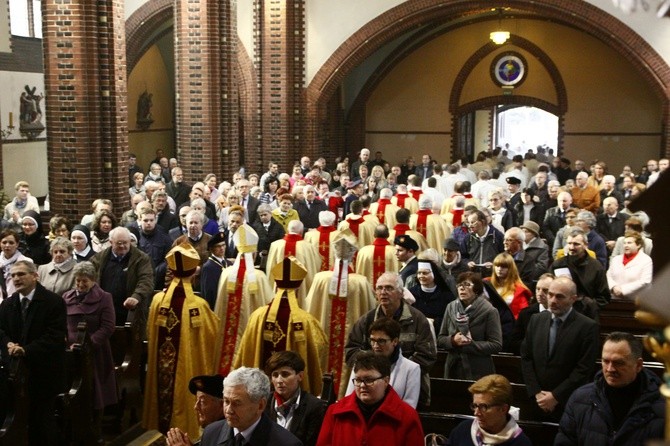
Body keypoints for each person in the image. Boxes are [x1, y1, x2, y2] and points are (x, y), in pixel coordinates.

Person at [143, 243, 220, 438]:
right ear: (193, 272)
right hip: (187, 369)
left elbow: (149, 335)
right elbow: (214, 338)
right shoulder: (198, 306)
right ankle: (185, 430)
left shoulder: (158, 301)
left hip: (161, 372)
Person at [234, 256, 327, 395]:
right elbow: (319, 349)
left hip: (258, 395)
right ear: (298, 288)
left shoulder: (257, 316)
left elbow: (245, 351)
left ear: (276, 286)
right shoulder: (306, 321)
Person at [555, 332, 665, 446]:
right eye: (605, 361)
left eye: (619, 363)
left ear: (638, 365)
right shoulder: (580, 398)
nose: (610, 369)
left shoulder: (663, 407)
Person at [345, 272, 436, 407]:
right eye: (380, 288)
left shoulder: (417, 319)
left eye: (389, 288)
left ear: (400, 293)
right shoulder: (367, 320)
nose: (383, 292)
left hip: (408, 387)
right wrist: (373, 369)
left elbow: (427, 356)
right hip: (371, 387)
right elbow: (351, 351)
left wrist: (399, 371)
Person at [0, 260, 66, 446]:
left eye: (21, 274)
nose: (16, 278)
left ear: (35, 276)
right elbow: (1, 331)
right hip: (14, 373)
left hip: (44, 373)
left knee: (42, 422)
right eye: (13, 275)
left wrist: (26, 350)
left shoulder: (53, 302)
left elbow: (54, 336)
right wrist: (9, 344)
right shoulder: (8, 303)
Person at [305, 230, 376, 396]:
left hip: (323, 338)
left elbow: (309, 308)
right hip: (350, 342)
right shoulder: (360, 282)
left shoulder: (320, 278)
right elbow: (370, 311)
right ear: (353, 255)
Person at [520, 276, 599, 421]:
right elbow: (526, 358)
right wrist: (536, 392)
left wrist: (556, 396)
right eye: (550, 294)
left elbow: (584, 368)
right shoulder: (536, 320)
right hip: (536, 400)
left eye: (559, 297)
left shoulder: (587, 327)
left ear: (573, 299)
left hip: (568, 402)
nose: (552, 300)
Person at [316, 352, 424, 446]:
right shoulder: (335, 412)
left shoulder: (407, 416)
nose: (362, 385)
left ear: (386, 381)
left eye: (369, 380)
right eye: (358, 380)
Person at [62, 261, 117, 441]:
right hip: (70, 353)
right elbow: (61, 324)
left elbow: (108, 327)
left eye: (84, 281)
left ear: (93, 280)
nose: (80, 285)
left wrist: (88, 344)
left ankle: (94, 429)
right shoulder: (66, 297)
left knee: (95, 392)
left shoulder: (104, 297)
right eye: (77, 281)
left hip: (94, 352)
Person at [214, 224, 274, 377]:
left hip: (227, 332)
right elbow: (268, 305)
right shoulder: (259, 277)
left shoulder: (226, 273)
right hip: (249, 330)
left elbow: (219, 305)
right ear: (253, 254)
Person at [197, 367, 302, 446]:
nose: (228, 410)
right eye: (226, 401)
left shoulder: (287, 444)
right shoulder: (211, 432)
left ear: (260, 405)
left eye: (237, 403)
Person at [438, 271, 502, 380]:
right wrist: (453, 341)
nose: (462, 288)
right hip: (453, 367)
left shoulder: (489, 311)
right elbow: (441, 338)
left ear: (476, 289)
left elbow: (496, 344)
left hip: (478, 368)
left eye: (467, 285)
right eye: (459, 285)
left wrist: (469, 344)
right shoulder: (451, 307)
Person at [345, 318, 421, 408]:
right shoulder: (360, 364)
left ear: (395, 341)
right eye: (372, 340)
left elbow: (409, 407)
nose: (376, 346)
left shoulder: (411, 369)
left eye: (381, 341)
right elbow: (349, 399)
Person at [90, 227, 154, 325]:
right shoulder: (98, 259)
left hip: (130, 311)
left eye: (126, 242)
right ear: (111, 242)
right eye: (119, 243)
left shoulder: (141, 259)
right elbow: (90, 279)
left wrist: (136, 296)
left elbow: (146, 280)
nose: (123, 246)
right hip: (103, 310)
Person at [263, 351, 328, 446]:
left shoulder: (315, 406)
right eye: (275, 375)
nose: (279, 380)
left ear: (300, 376)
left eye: (285, 374)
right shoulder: (263, 402)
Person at [448, 374, 532, 446]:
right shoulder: (463, 430)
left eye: (483, 407)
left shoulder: (520, 442)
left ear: (503, 409)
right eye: (474, 406)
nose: (476, 413)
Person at [551, 227, 611, 308]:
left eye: (576, 244)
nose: (571, 247)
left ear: (586, 245)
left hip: (586, 314)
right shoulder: (558, 264)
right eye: (569, 243)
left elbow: (604, 298)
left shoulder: (596, 267)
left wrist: (587, 303)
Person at [166, 374, 225, 446]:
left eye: (202, 402)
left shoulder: (230, 433)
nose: (196, 407)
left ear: (222, 405)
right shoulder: (211, 433)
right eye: (197, 400)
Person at [507, 273, 555, 355]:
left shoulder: (560, 314)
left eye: (545, 290)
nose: (539, 293)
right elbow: (513, 343)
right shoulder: (525, 313)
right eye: (537, 289)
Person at [409, 259, 456, 333]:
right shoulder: (411, 293)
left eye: (425, 273)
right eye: (419, 273)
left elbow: (451, 320)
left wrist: (434, 322)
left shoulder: (446, 295)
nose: (421, 276)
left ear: (434, 274)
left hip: (439, 334)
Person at [606, 230, 653, 299]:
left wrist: (623, 290)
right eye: (624, 243)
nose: (626, 245)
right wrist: (614, 287)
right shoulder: (616, 259)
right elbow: (608, 275)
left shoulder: (646, 260)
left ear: (638, 245)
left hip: (636, 300)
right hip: (615, 298)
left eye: (629, 243)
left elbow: (645, 281)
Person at [488, 252, 531, 319]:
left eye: (503, 267)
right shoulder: (486, 283)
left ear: (510, 269)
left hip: (509, 325)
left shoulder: (519, 290)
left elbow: (523, 314)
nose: (499, 269)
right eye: (497, 266)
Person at [0, 229, 33, 301]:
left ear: (17, 244)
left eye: (11, 243)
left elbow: (30, 286)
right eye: (4, 242)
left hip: (18, 302)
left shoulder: (26, 262)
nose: (7, 245)